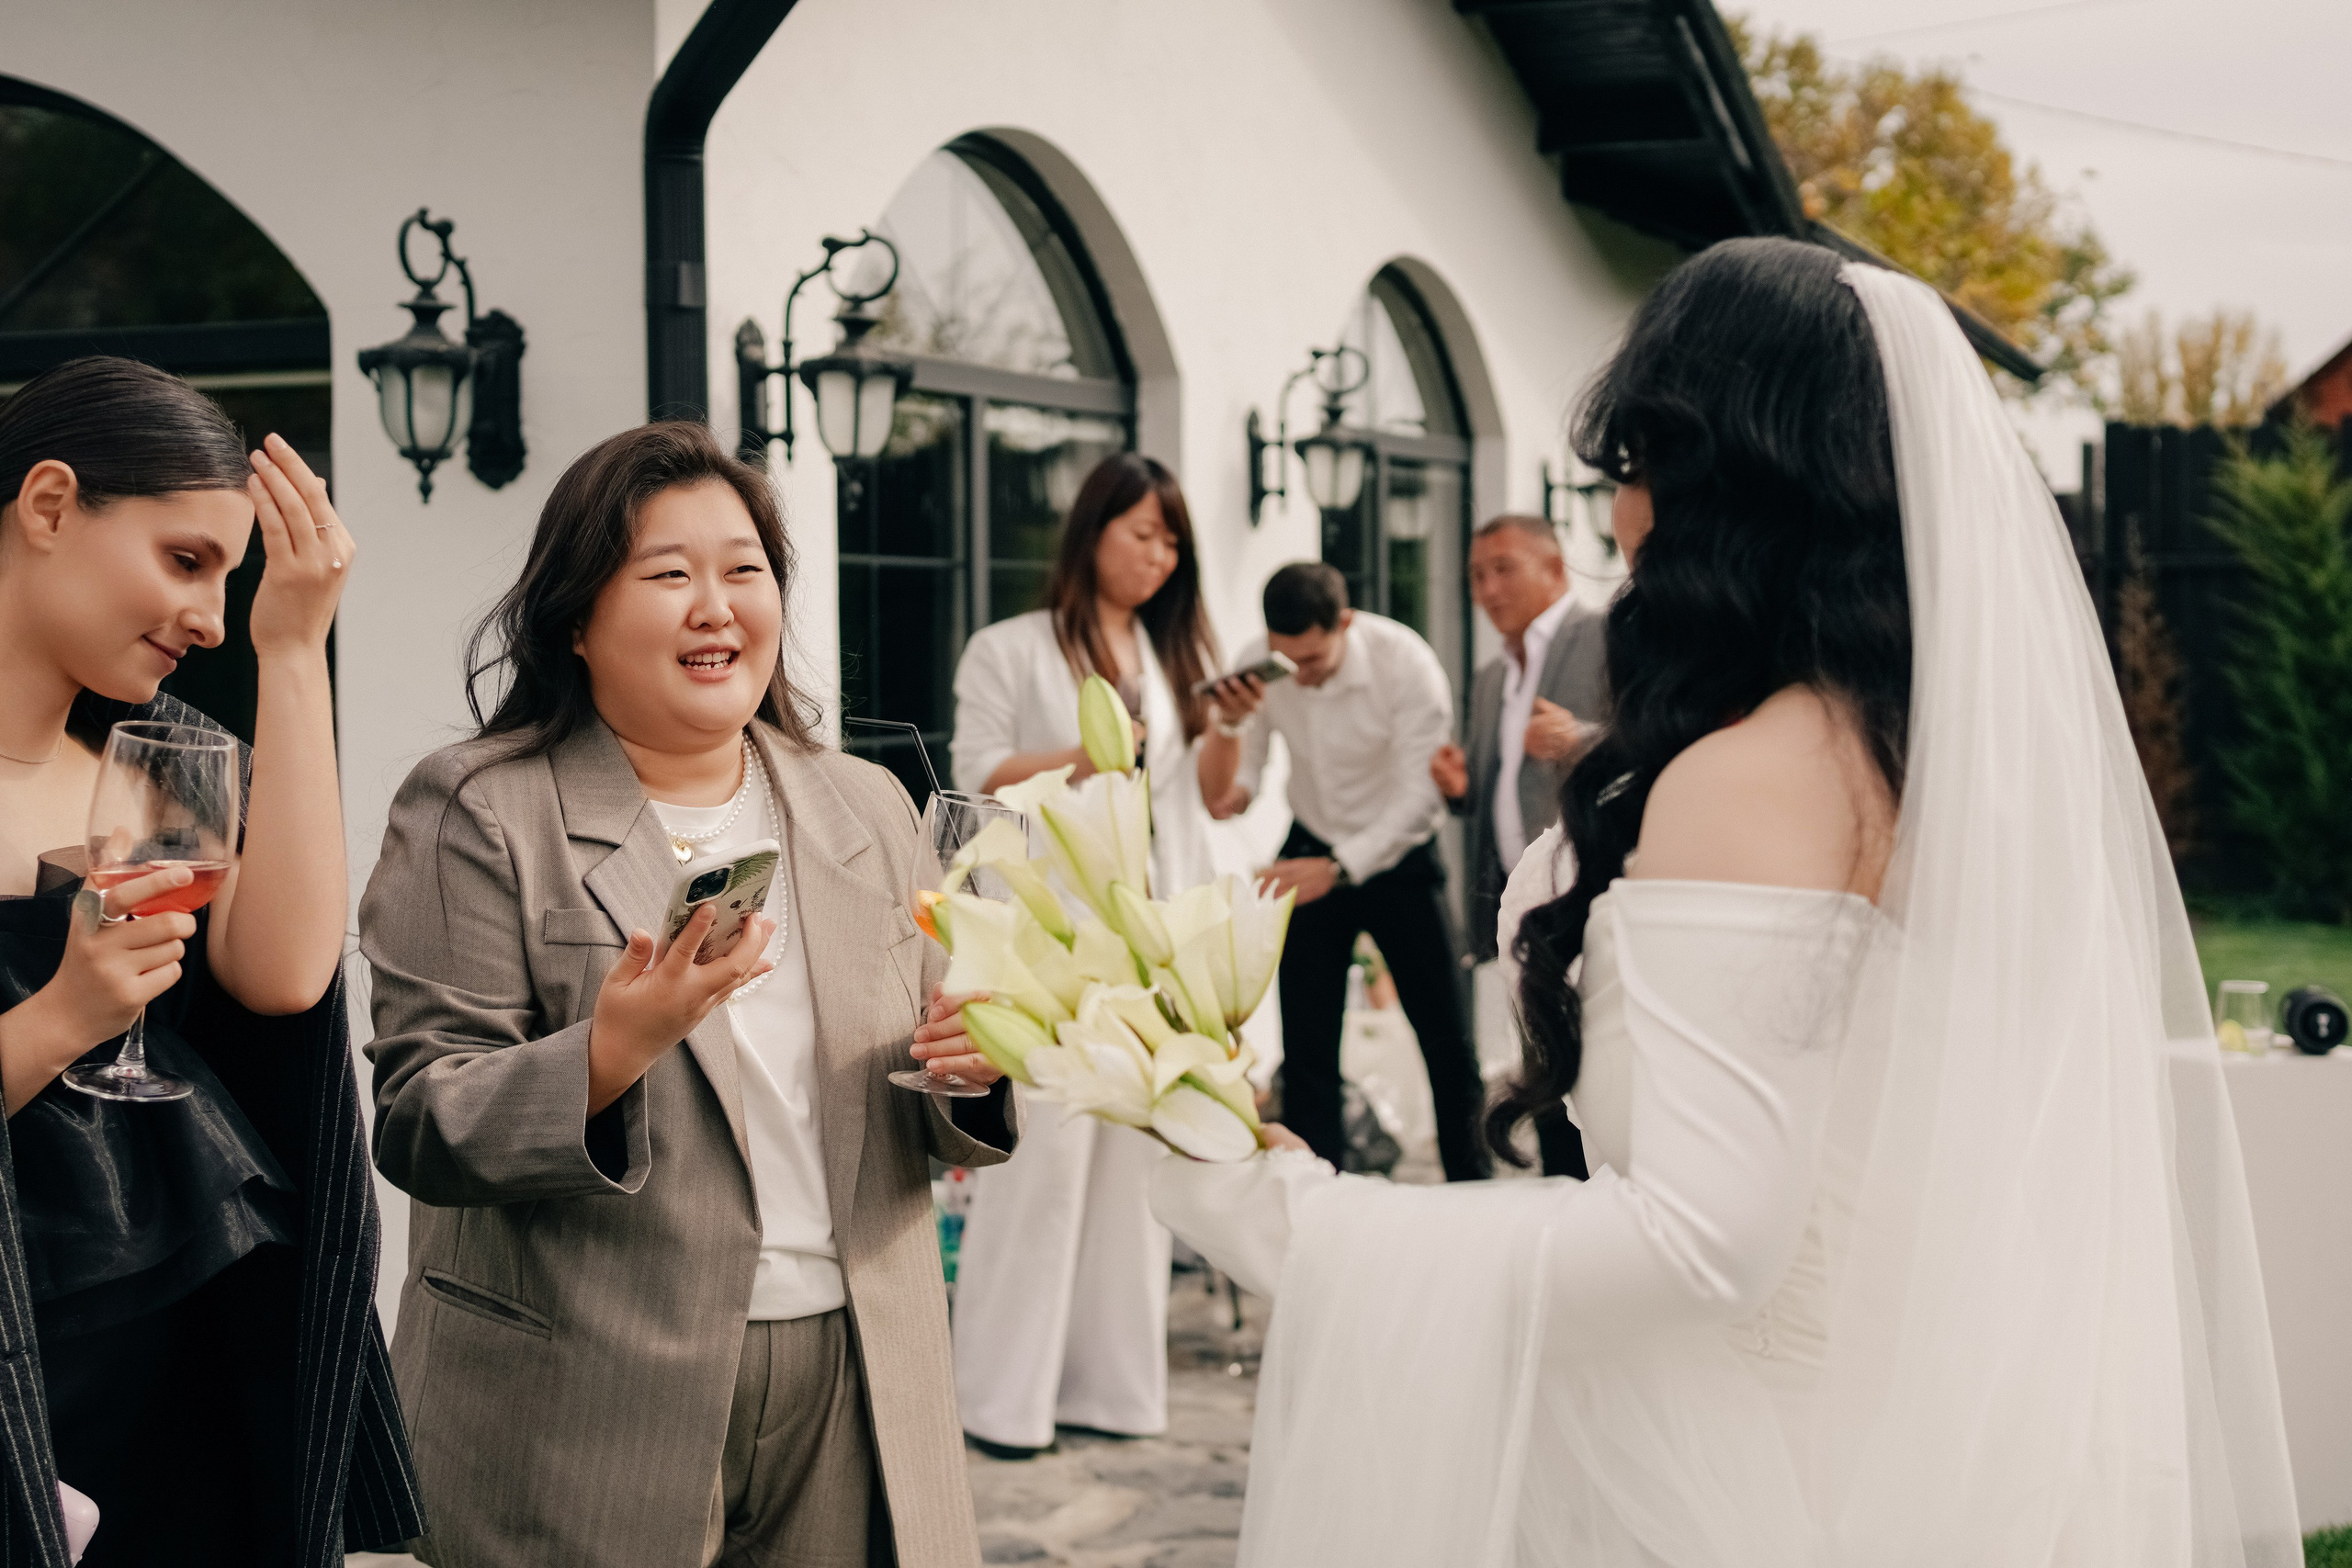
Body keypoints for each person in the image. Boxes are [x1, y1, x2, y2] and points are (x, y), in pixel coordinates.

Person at [1154, 240, 2300, 1565]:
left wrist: (1290, 1216)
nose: (1620, 518)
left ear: (1734, 488)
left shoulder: (1756, 778)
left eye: (1638, 468)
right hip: (1918, 1438)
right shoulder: (1945, 760)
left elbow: (1699, 1247)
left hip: (1744, 1481)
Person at [359, 423, 1015, 1567]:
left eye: (743, 570)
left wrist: (981, 1069)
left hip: (857, 1372)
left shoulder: (866, 803)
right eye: (668, 574)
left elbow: (928, 1086)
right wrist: (609, 1052)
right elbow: (422, 1120)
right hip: (586, 1392)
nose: (715, 606)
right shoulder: (479, 808)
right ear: (576, 617)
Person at [0, 357, 421, 1565]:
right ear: (47, 505)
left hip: (183, 1365)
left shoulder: (166, 757)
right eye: (187, 560)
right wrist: (60, 1015)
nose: (209, 615)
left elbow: (287, 976)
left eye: (230, 578)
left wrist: (294, 650)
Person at [945, 452, 1218, 1457]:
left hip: (1148, 939)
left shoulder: (1173, 653)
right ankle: (1000, 1400)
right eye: (1144, 530)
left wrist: (1224, 729)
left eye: (1172, 538)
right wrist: (1082, 756)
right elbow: (977, 777)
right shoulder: (1009, 648)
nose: (1160, 553)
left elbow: (1206, 801)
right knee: (1046, 1166)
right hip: (1045, 935)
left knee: (1126, 1177)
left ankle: (1109, 1389)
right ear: (1093, 530)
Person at [1199, 564, 1487, 1182]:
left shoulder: (1405, 662)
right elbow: (1230, 796)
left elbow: (1420, 797)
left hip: (1399, 853)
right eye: (1286, 658)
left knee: (1447, 1036)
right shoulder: (1263, 664)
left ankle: (1474, 1186)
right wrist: (1226, 724)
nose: (1297, 674)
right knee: (1306, 1048)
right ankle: (1313, 1199)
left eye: (1311, 658)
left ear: (1346, 623)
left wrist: (1342, 867)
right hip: (1311, 842)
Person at [1430, 513, 1607, 1178]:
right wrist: (1459, 788)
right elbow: (1496, 786)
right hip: (1522, 906)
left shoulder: (1606, 636)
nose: (1487, 587)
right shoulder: (1488, 677)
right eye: (1477, 574)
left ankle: (1590, 1202)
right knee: (1546, 1070)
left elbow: (1653, 741)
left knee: (1593, 1071)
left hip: (1585, 893)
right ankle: (1563, 1200)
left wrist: (1580, 739)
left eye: (1504, 568)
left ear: (1555, 567)